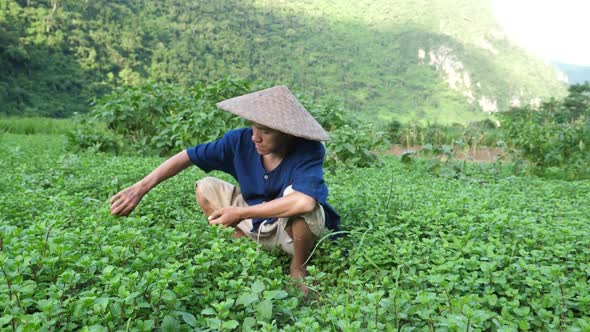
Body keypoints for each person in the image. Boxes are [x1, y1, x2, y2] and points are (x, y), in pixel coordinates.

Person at [109, 85, 340, 294]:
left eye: (266, 132)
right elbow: (187, 156)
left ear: (288, 133)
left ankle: (298, 267)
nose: (255, 137)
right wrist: (141, 187)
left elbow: (305, 202)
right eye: (254, 127)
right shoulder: (239, 141)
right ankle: (251, 251)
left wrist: (240, 213)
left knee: (303, 206)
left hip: (288, 231)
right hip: (255, 221)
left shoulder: (308, 150)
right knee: (206, 186)